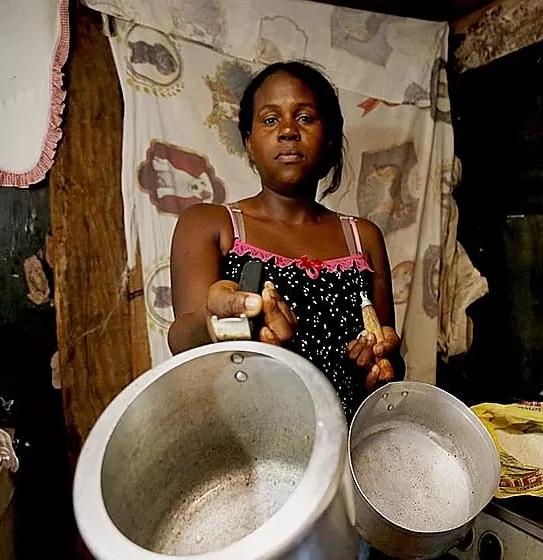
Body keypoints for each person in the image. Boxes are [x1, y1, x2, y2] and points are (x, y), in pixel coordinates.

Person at [168, 61, 403, 420]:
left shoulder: (362, 237)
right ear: (249, 142)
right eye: (270, 119)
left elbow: (389, 360)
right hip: (250, 439)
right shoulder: (211, 224)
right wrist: (224, 320)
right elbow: (181, 340)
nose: (289, 130)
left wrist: (379, 362)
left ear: (328, 138)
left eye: (305, 118)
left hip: (347, 439)